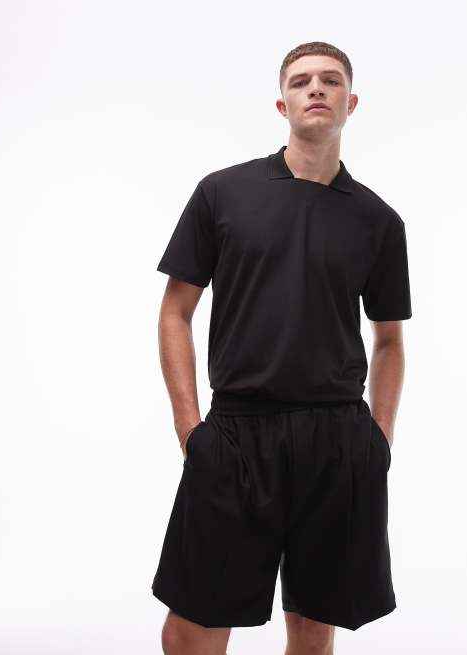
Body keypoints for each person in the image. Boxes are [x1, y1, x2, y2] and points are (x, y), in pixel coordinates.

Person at [151, 40, 412, 655]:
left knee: (314, 626)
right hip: (237, 436)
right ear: (282, 104)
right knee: (191, 627)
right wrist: (191, 431)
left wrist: (378, 440)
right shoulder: (223, 193)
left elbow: (389, 341)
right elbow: (175, 312)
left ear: (350, 103)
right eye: (301, 81)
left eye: (330, 80)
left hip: (337, 440)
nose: (315, 88)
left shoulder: (378, 220)